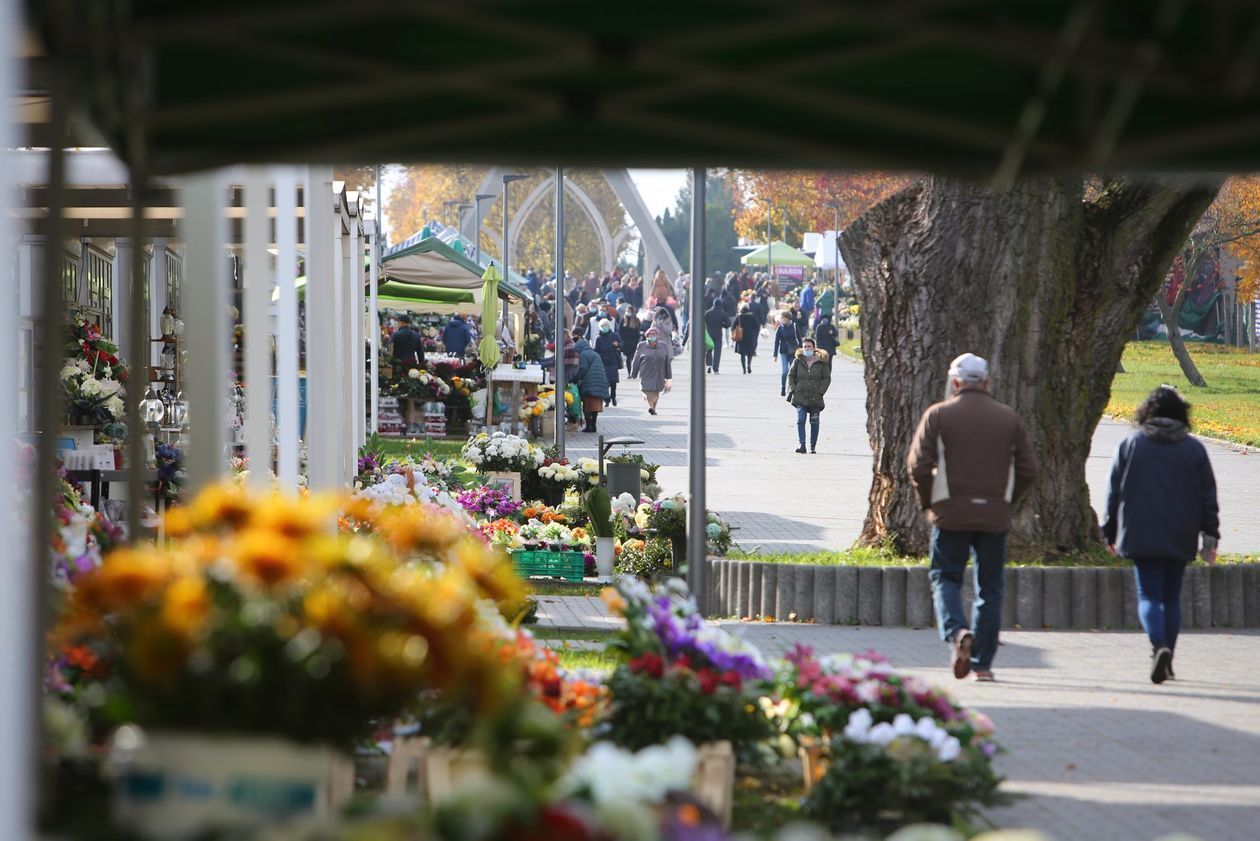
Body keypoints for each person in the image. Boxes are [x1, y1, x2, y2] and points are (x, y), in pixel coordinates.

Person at [907, 353, 1038, 683]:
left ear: (954, 382)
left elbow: (918, 467)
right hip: (994, 515)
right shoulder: (1008, 418)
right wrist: (1007, 502)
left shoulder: (938, 415)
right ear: (987, 382)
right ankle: (982, 664)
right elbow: (1028, 469)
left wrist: (930, 501)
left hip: (950, 514)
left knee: (945, 578)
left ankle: (956, 632)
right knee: (989, 589)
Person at [1102, 386, 1220, 684]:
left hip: (1140, 530)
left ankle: (1159, 646)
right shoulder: (1194, 449)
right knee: (1171, 597)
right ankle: (1168, 661)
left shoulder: (1131, 443)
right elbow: (1208, 495)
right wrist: (1211, 535)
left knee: (1149, 594)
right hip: (1181, 532)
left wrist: (1109, 532)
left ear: (1147, 411)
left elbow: (1113, 491)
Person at [785, 337, 831, 453]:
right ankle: (802, 445)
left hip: (815, 397)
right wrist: (794, 389)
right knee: (801, 419)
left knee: (814, 421)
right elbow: (790, 376)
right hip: (800, 395)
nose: (806, 349)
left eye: (809, 346)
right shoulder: (798, 361)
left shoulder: (821, 362)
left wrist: (821, 391)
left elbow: (826, 378)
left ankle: (813, 446)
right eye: (805, 346)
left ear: (814, 348)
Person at [630, 327, 673, 416]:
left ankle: (653, 408)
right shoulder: (641, 346)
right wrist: (633, 373)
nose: (652, 336)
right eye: (650, 334)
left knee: (656, 393)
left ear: (657, 336)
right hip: (646, 372)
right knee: (648, 391)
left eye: (654, 334)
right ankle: (650, 407)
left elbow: (667, 361)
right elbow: (636, 360)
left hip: (659, 373)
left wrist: (668, 375)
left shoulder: (663, 346)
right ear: (647, 336)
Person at [573, 335, 610, 432]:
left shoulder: (583, 354)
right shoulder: (595, 354)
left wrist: (575, 378)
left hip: (589, 382)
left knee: (587, 405)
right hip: (600, 382)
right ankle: (593, 425)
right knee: (595, 406)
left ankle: (589, 426)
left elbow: (583, 368)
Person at [593, 318, 623, 406]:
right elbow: (596, 351)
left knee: (613, 382)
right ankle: (606, 400)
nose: (604, 328)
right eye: (602, 326)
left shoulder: (614, 336)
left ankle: (613, 397)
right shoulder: (598, 338)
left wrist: (618, 345)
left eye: (606, 326)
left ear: (609, 326)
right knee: (605, 382)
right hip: (603, 363)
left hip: (613, 361)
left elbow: (622, 345)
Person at [772, 312, 802, 396]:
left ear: (788, 318)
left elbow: (799, 339)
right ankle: (783, 387)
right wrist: (775, 354)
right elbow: (777, 341)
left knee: (793, 371)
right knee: (785, 371)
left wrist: (801, 352)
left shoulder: (795, 326)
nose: (782, 320)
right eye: (781, 318)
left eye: (784, 318)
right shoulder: (780, 328)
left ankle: (792, 388)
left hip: (794, 352)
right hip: (784, 351)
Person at [703, 298, 730, 374]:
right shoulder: (723, 314)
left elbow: (702, 321)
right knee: (717, 352)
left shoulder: (708, 313)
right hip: (718, 335)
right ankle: (716, 368)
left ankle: (709, 365)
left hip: (709, 334)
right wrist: (723, 325)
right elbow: (728, 324)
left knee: (709, 350)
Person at [734, 303, 760, 374]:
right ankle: (749, 365)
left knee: (742, 354)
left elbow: (733, 326)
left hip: (741, 337)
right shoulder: (752, 316)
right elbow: (757, 326)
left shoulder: (739, 317)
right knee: (750, 353)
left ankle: (744, 369)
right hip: (750, 337)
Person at [619, 309, 643, 376]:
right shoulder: (623, 320)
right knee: (628, 358)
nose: (628, 313)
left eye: (629, 311)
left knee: (634, 358)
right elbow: (620, 331)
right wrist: (622, 340)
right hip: (626, 342)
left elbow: (638, 331)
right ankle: (629, 373)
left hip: (634, 342)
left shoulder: (636, 320)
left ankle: (634, 372)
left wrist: (637, 340)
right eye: (627, 311)